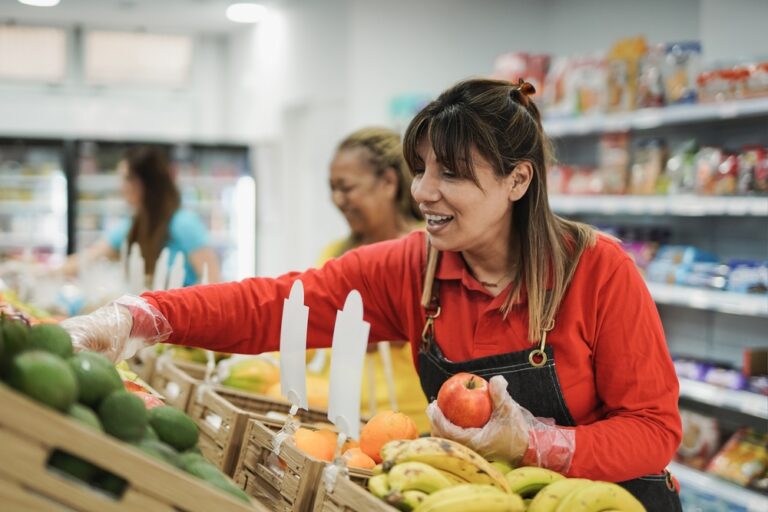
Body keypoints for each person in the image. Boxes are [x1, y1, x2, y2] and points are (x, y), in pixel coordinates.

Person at [62, 79, 682, 510]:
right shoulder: (416, 269)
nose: (423, 192)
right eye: (421, 168)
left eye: (451, 173)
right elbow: (279, 304)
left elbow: (654, 430)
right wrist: (139, 315)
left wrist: (538, 443)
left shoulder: (598, 272)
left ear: (519, 179)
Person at [312, 126, 428, 431]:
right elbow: (310, 330)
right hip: (333, 422)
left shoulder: (430, 253)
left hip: (410, 428)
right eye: (332, 188)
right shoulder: (334, 255)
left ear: (388, 182)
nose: (337, 199)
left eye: (346, 187)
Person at [60, 146, 220, 286]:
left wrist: (175, 305)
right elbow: (88, 258)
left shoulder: (184, 223)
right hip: (154, 316)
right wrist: (43, 271)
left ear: (146, 183)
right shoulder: (133, 226)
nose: (121, 187)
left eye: (126, 178)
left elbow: (212, 281)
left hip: (183, 317)